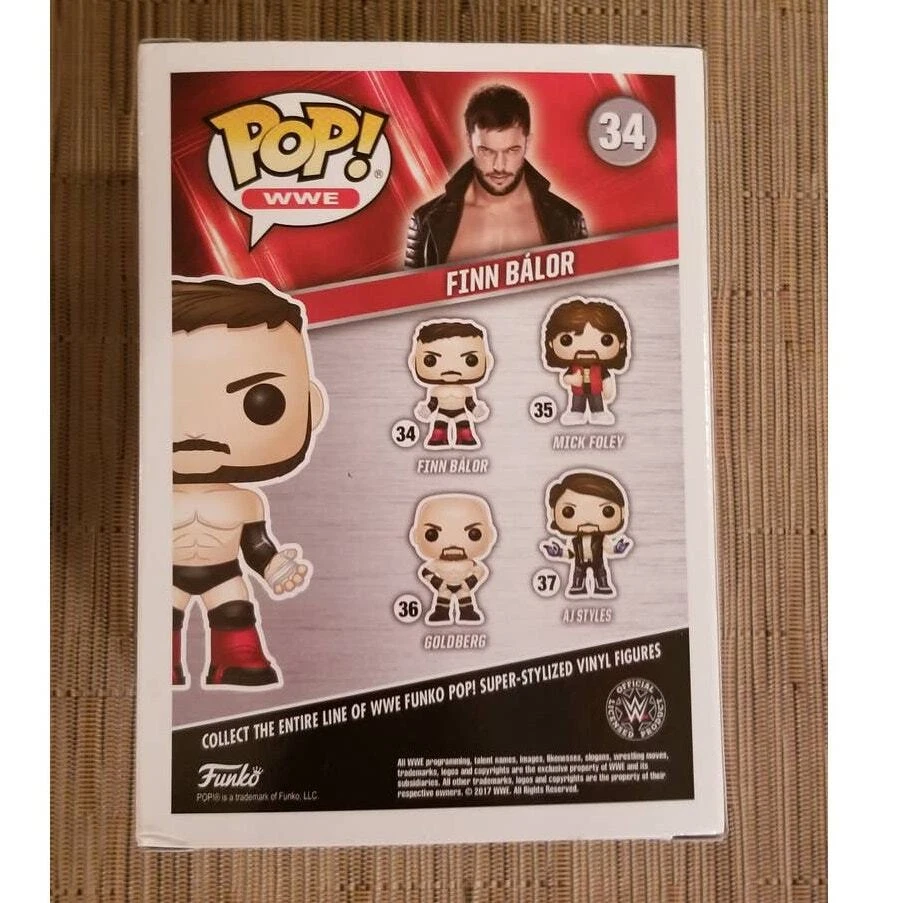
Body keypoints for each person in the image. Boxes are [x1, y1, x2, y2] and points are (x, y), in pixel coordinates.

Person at [171, 277, 327, 688]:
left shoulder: (246, 504)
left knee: (237, 618)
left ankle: (236, 662)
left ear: (311, 407)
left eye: (261, 401)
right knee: (156, 626)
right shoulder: (144, 498)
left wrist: (274, 568)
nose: (196, 428)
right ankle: (159, 666)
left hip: (225, 574)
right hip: (161, 577)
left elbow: (256, 546)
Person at [405, 84, 587, 267]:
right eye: (486, 151)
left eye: (512, 150)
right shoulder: (425, 220)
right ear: (469, 142)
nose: (499, 166)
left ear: (527, 142)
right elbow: (412, 286)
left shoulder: (568, 220)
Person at [540, 470, 632, 598]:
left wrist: (617, 548)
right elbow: (571, 553)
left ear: (622, 512)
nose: (587, 520)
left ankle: (602, 586)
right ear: (553, 513)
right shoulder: (574, 541)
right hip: (579, 563)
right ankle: (578, 587)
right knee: (578, 575)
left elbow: (608, 549)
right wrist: (559, 552)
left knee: (601, 574)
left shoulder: (602, 539)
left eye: (607, 511)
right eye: (568, 511)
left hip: (598, 561)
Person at [542, 296, 631, 426]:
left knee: (597, 402)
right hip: (579, 391)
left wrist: (608, 388)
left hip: (596, 390)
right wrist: (572, 379)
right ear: (551, 343)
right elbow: (566, 378)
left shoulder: (600, 369)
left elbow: (606, 378)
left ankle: (599, 412)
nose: (586, 349)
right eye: (566, 340)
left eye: (606, 340)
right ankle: (576, 413)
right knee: (577, 403)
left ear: (621, 343)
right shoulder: (574, 367)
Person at [410, 494, 498, 625]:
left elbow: (480, 571)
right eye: (432, 534)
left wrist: (470, 582)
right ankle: (441, 614)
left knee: (464, 597)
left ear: (490, 535)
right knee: (443, 598)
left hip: (463, 586)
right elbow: (425, 572)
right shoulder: (436, 563)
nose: (453, 543)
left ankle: (467, 613)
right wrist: (437, 582)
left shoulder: (470, 563)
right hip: (443, 587)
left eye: (473, 534)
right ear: (415, 536)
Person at [409, 319, 494, 448]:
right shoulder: (436, 391)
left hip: (461, 411)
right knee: (439, 428)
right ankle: (438, 439)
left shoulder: (466, 390)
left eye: (470, 360)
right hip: (442, 412)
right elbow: (433, 403)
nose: (450, 368)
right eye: (430, 360)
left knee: (464, 427)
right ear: (413, 361)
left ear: (487, 361)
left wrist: (475, 409)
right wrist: (427, 409)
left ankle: (465, 439)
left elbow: (470, 403)